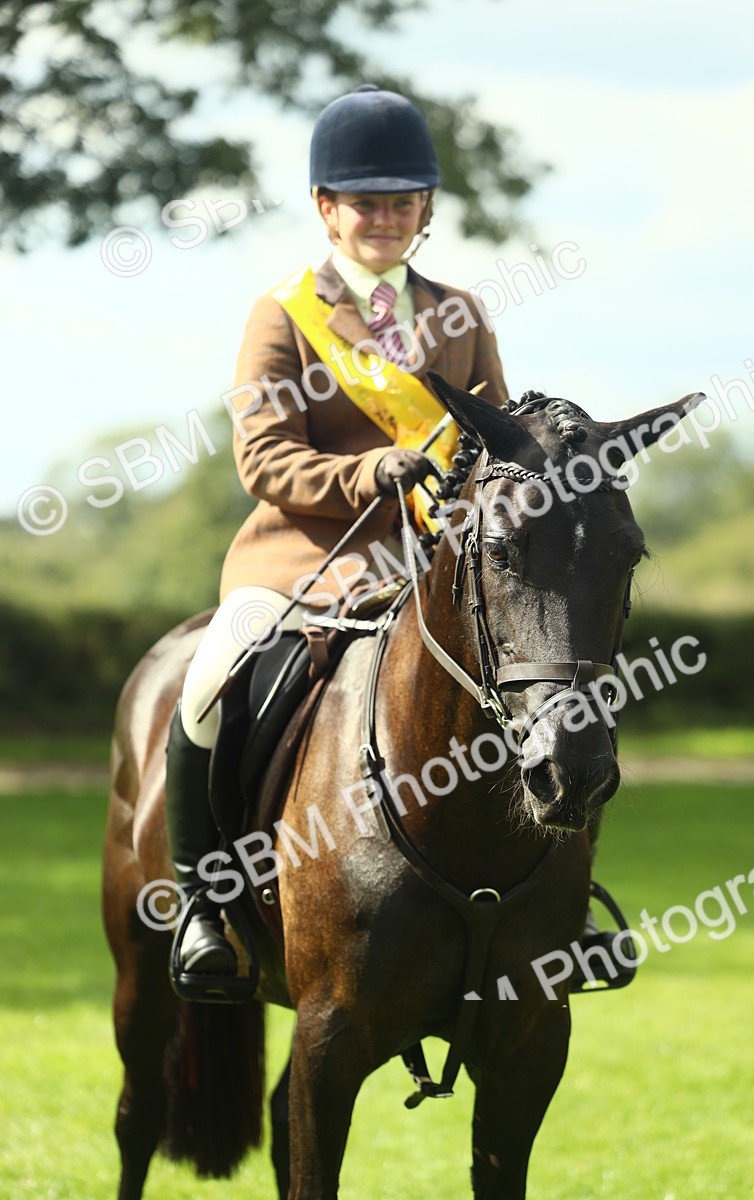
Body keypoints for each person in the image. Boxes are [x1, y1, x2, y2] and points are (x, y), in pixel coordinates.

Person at [166, 84, 508, 976]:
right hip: (303, 564)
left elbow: (498, 441)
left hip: (434, 562)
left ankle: (553, 901)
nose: (385, 219)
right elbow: (265, 460)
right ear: (327, 208)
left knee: (541, 680)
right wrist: (367, 471)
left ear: (425, 208)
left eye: (402, 202)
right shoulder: (282, 315)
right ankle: (202, 903)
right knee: (209, 682)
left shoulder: (461, 314)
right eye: (366, 203)